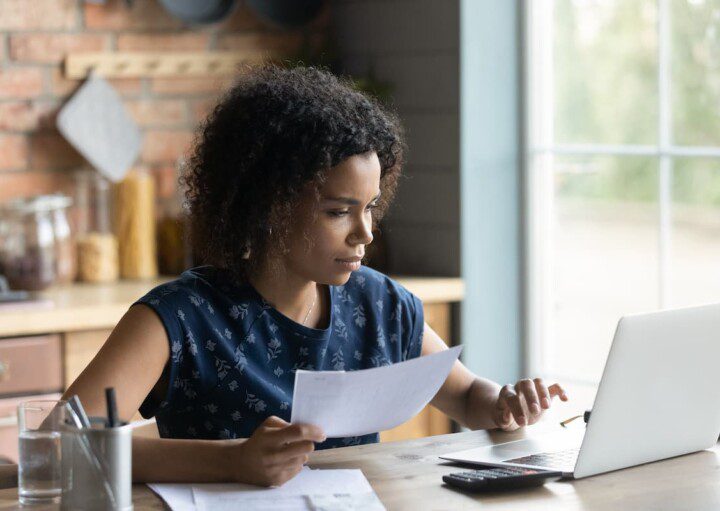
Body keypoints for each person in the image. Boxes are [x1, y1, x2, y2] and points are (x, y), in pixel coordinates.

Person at [63, 65, 568, 487]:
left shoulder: (380, 304)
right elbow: (67, 444)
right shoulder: (178, 317)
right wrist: (233, 461)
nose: (364, 234)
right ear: (269, 207)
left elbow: (463, 395)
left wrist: (505, 403)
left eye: (370, 208)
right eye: (337, 212)